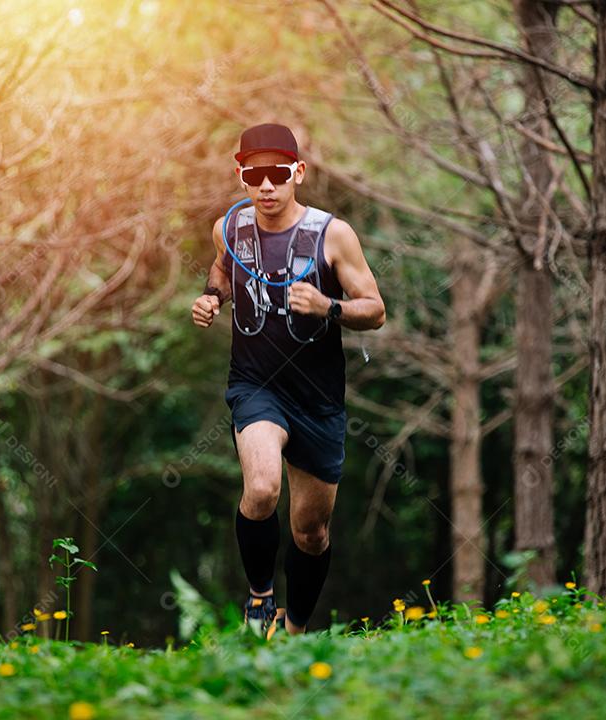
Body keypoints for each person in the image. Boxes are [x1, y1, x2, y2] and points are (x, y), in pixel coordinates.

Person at [191, 123, 385, 639]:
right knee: (260, 489)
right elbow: (221, 269)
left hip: (318, 399)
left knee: (311, 531)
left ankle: (295, 628)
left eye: (278, 174)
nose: (267, 186)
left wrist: (328, 306)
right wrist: (213, 297)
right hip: (256, 385)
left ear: (297, 173)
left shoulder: (332, 234)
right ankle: (259, 600)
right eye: (255, 175)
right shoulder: (229, 228)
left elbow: (376, 311)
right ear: (241, 176)